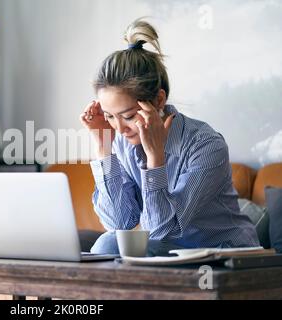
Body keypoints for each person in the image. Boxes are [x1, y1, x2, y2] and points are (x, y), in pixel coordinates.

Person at [79, 19, 259, 256]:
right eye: (111, 117)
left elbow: (161, 230)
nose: (120, 129)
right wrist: (103, 146)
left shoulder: (206, 145)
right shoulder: (124, 142)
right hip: (169, 251)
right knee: (107, 244)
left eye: (129, 115)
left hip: (223, 255)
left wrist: (155, 158)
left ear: (159, 100)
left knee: (112, 246)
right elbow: (118, 223)